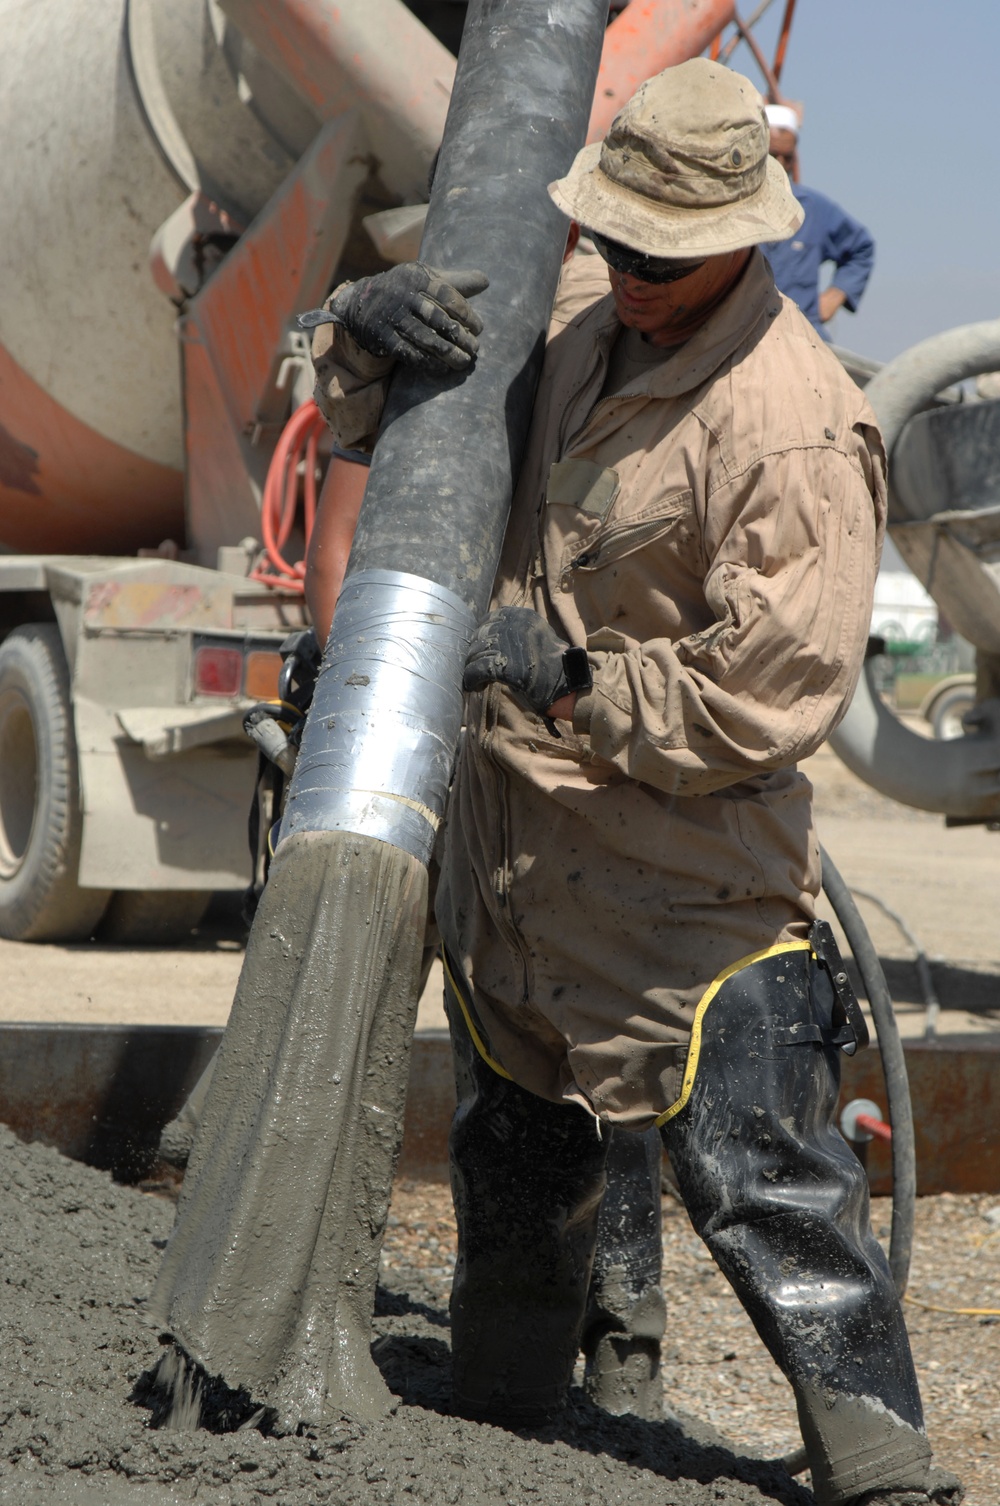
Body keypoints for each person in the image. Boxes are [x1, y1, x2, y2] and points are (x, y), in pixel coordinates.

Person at [309, 58, 959, 1506]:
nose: (629, 269)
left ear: (747, 234)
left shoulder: (786, 421)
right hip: (518, 858)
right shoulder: (575, 326)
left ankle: (886, 1471)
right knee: (521, 1166)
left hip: (686, 887)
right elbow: (404, 437)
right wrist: (360, 332)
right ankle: (501, 1435)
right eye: (612, 240)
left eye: (662, 253)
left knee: (763, 1176)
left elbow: (769, 695)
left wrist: (572, 677)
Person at [762, 101, 875, 340]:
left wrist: (837, 294)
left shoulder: (813, 209)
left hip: (803, 336)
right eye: (772, 156)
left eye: (788, 157)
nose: (780, 165)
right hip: (742, 337)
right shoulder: (730, 207)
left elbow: (861, 247)